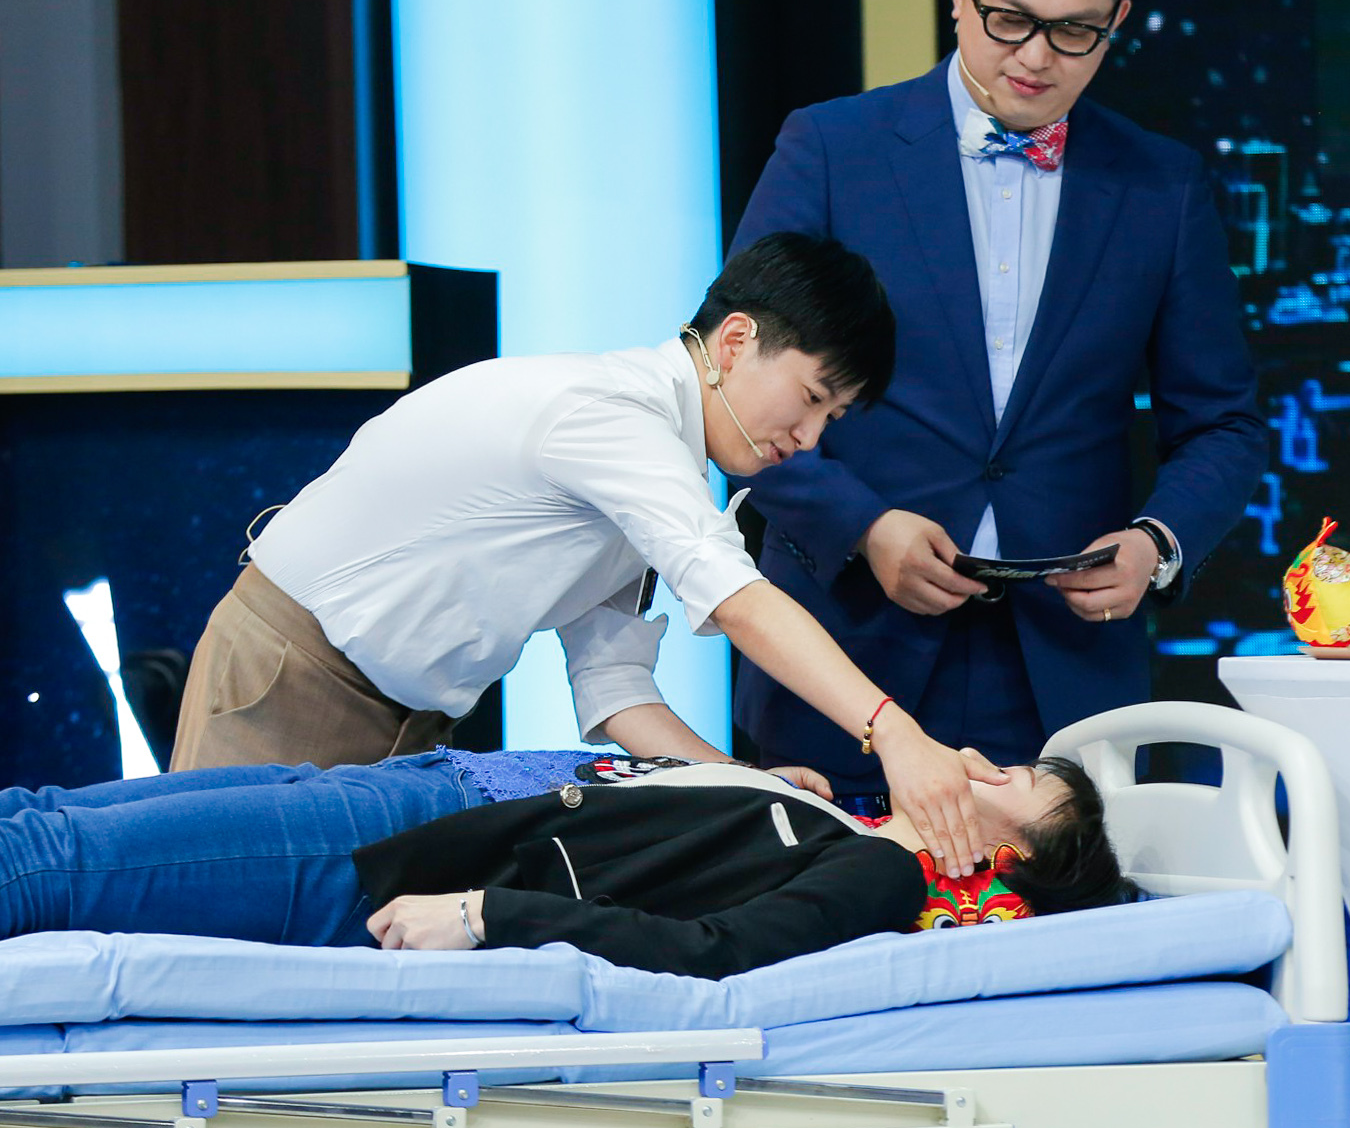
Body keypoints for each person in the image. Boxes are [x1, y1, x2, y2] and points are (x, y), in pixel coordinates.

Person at [174, 231, 1012, 870]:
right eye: (810, 398)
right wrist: (893, 734)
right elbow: (738, 602)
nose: (809, 437)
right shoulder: (614, 416)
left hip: (412, 723)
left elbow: (613, 688)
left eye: (832, 418)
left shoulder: (661, 461)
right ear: (733, 342)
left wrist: (742, 784)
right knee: (200, 925)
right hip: (294, 672)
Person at [729, 0, 1269, 801]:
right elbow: (731, 391)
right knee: (832, 892)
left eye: (1074, 32)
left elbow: (1222, 422)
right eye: (1008, 19)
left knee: (1064, 900)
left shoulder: (1160, 186)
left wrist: (1154, 544)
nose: (1034, 57)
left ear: (1117, 20)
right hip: (846, 647)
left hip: (1065, 669)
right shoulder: (832, 148)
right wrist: (864, 526)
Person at [0, 745, 1122, 981]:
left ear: (995, 869)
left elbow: (709, 957)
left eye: (1008, 788)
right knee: (18, 828)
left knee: (37, 859)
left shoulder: (876, 887)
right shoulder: (837, 822)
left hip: (373, 860)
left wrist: (491, 913)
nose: (974, 768)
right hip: (413, 793)